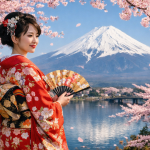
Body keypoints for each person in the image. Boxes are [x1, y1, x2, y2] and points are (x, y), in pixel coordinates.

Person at [0, 12, 73, 150]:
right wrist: (59, 103)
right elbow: (43, 111)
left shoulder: (3, 67)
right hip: (27, 138)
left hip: (7, 135)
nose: (35, 41)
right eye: (29, 36)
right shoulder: (26, 69)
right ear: (15, 38)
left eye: (37, 36)